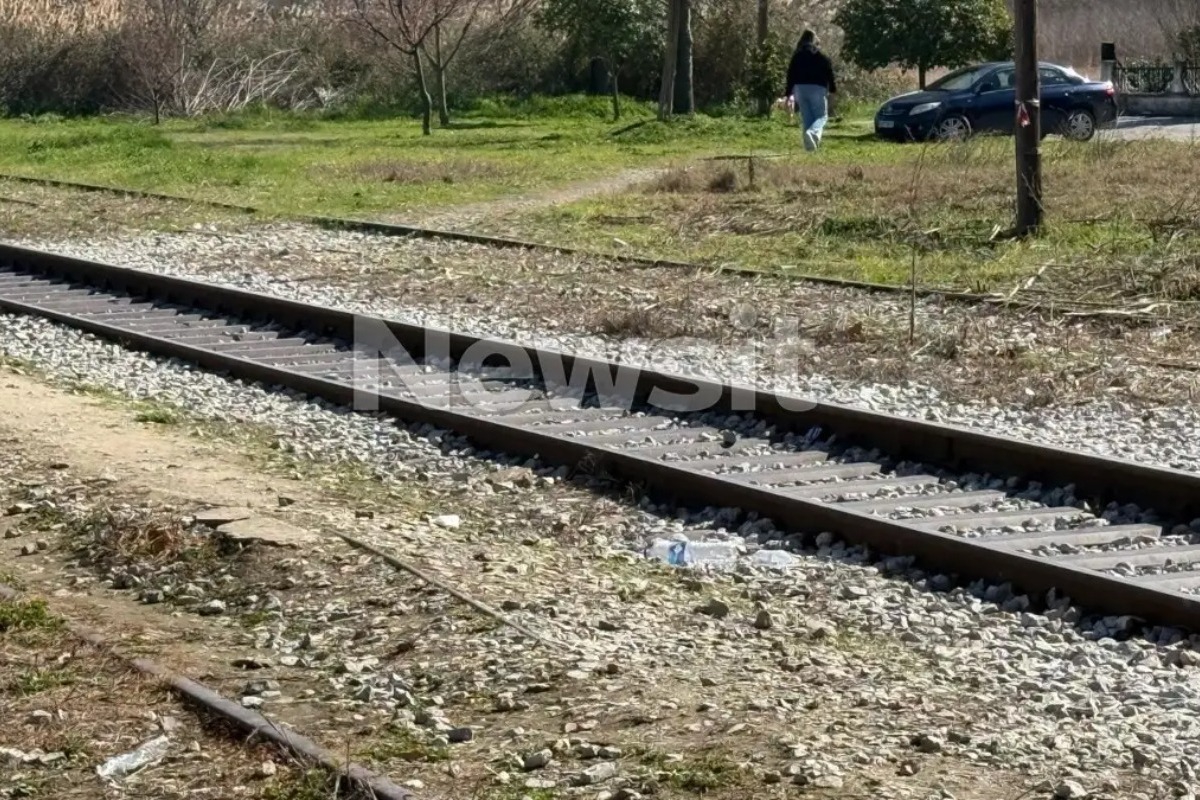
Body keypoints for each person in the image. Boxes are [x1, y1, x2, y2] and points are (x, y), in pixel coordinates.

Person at [785, 30, 837, 151]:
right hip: (817, 88)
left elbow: (790, 74)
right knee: (821, 117)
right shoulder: (819, 54)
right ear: (814, 40)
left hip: (800, 89)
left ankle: (810, 148)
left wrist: (788, 93)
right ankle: (813, 134)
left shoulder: (797, 54)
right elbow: (828, 69)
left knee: (807, 118)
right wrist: (833, 88)